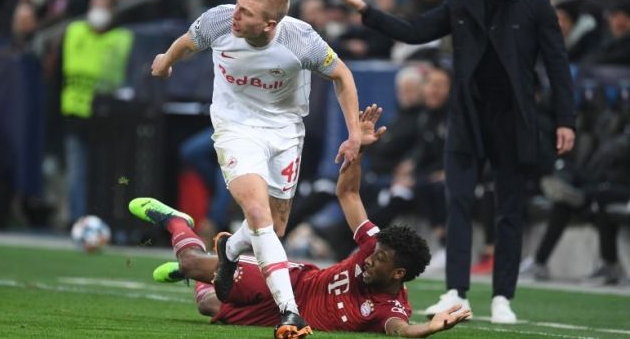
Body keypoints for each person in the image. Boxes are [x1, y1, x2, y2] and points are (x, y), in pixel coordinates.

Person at [327, 0, 576, 324]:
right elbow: (414, 31)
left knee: (509, 210)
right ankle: (456, 290)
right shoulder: (461, 0)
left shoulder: (533, 2)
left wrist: (566, 119)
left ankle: (503, 296)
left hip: (513, 119)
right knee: (455, 200)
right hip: (466, 117)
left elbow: (557, 63)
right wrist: (368, 11)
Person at [128, 105, 471, 338]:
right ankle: (177, 224)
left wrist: (425, 328)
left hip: (280, 317)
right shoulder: (372, 244)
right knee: (189, 263)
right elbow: (349, 195)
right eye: (374, 252)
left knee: (206, 305)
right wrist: (359, 152)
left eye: (379, 260)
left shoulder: (388, 307)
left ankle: (211, 265)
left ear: (397, 274)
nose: (369, 257)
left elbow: (400, 328)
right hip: (291, 283)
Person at [150, 0, 361, 338]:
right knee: (258, 214)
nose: (235, 14)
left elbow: (342, 74)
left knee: (275, 230)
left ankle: (228, 250)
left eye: (246, 12)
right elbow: (188, 42)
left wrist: (354, 132)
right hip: (235, 127)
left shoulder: (300, 40)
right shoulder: (219, 21)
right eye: (237, 5)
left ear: (270, 23)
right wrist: (166, 61)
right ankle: (290, 312)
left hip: (285, 132)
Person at [60, 0, 133, 221]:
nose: (97, 12)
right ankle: (78, 220)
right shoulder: (74, 32)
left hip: (106, 114)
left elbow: (113, 73)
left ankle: (104, 217)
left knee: (104, 172)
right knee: (76, 172)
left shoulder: (121, 38)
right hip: (75, 111)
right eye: (94, 6)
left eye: (103, 6)